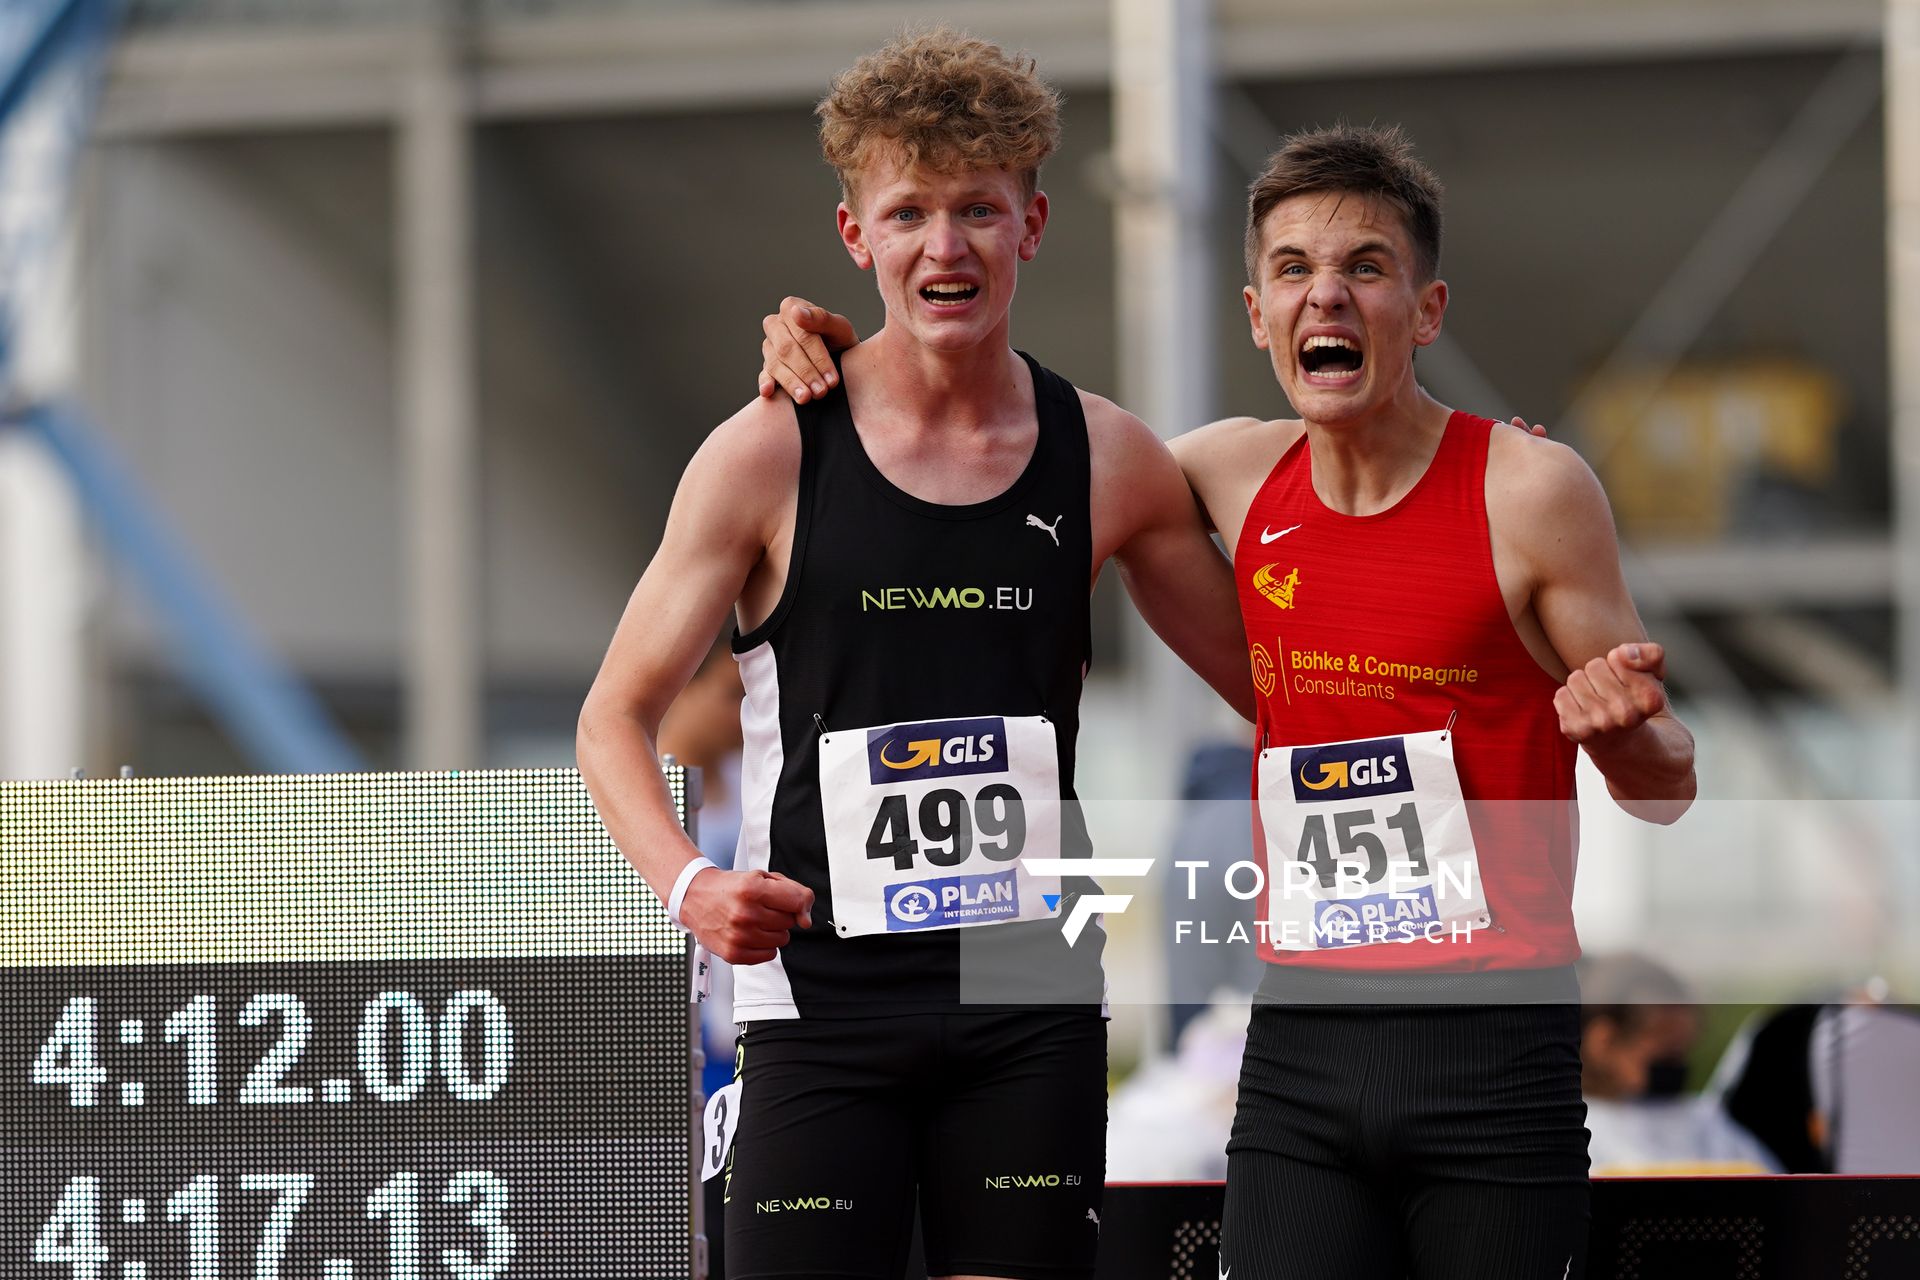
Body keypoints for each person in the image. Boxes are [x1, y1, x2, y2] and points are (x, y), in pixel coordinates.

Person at [759, 122, 1698, 1280]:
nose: (1328, 298)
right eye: (1294, 271)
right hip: (1300, 1048)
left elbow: (1663, 789)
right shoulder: (1222, 471)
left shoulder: (1533, 490)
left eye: (1366, 268)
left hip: (1494, 1050)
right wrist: (837, 356)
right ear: (1257, 315)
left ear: (1428, 307)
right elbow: (998, 433)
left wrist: (1629, 729)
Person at [575, 29, 1250, 1280]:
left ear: (1033, 224)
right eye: (912, 213)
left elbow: (1281, 683)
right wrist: (689, 884)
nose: (947, 247)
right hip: (817, 985)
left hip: (1025, 982)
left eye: (979, 211)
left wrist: (1432, 481)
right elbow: (613, 717)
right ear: (857, 238)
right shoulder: (768, 453)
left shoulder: (1107, 456)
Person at [1577, 952, 1778, 1175]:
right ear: (1604, 1042)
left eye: (1683, 1050)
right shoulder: (1575, 1130)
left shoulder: (1704, 1122)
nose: (1678, 1064)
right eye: (1668, 1052)